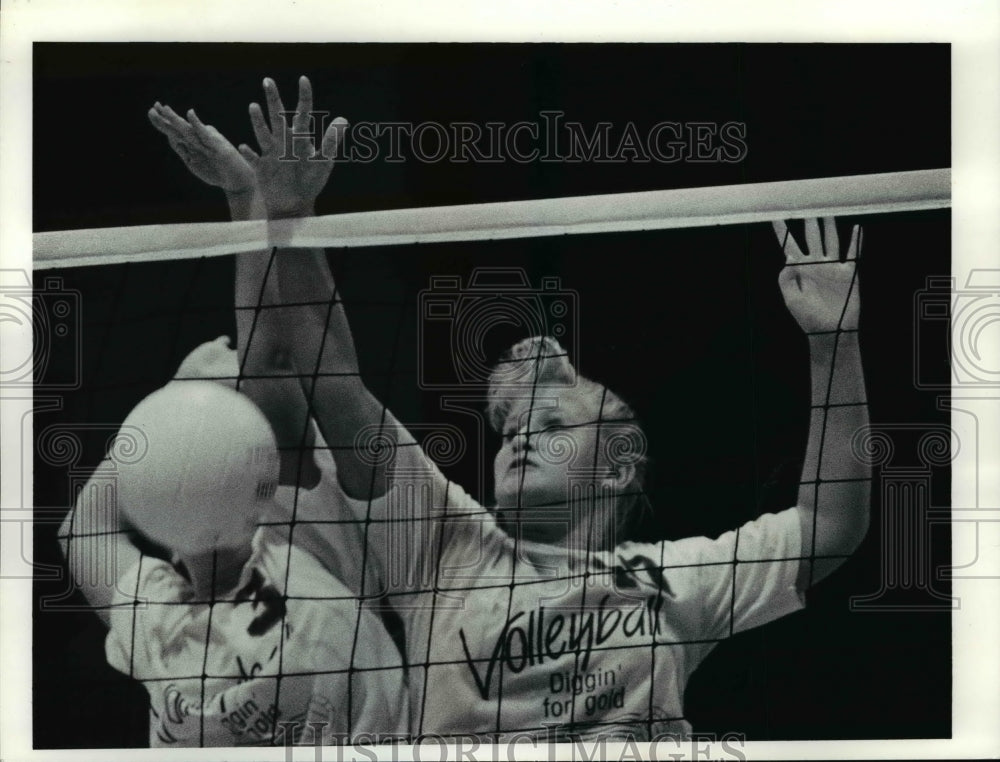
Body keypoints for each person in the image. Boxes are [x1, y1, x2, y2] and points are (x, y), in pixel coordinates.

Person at [234, 77, 871, 742]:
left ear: (616, 469)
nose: (519, 440)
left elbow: (830, 523)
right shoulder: (443, 545)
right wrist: (288, 219)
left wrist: (834, 344)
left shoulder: (673, 581)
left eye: (554, 424)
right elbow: (329, 370)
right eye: (511, 428)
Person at [57, 79, 407, 747]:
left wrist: (168, 402)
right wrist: (259, 208)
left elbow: (84, 528)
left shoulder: (170, 621)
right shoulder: (269, 560)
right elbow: (274, 360)